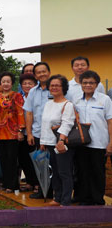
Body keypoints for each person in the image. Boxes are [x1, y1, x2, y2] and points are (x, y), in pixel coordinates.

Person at [73, 70, 112, 205]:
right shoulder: (76, 100)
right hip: (81, 143)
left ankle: (97, 199)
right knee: (82, 172)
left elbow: (110, 121)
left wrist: (110, 143)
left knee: (98, 172)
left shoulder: (105, 99)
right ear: (81, 84)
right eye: (85, 82)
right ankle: (84, 199)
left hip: (99, 142)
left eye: (91, 83)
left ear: (96, 84)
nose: (88, 85)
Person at [40, 75, 76, 206]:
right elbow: (44, 124)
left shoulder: (68, 105)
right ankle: (57, 197)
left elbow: (67, 123)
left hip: (61, 143)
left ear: (64, 88)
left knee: (64, 172)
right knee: (54, 171)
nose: (54, 88)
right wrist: (42, 142)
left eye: (57, 85)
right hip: (49, 143)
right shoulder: (48, 104)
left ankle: (66, 200)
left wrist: (61, 140)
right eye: (52, 85)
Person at [23, 62, 53, 199]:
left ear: (49, 72)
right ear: (35, 75)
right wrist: (29, 133)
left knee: (54, 165)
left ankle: (55, 191)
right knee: (40, 163)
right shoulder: (33, 92)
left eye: (44, 71)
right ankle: (43, 190)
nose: (42, 74)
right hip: (37, 133)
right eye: (39, 72)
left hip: (54, 134)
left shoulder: (56, 88)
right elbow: (29, 113)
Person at [0, 72, 25, 192]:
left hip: (13, 132)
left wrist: (20, 130)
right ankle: (5, 183)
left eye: (8, 81)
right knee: (3, 159)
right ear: (0, 84)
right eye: (3, 82)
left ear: (12, 83)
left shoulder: (17, 96)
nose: (5, 84)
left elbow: (20, 113)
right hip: (0, 132)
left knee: (12, 160)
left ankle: (12, 185)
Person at [17, 74, 40, 193]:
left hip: (34, 132)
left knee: (35, 159)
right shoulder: (19, 98)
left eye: (30, 83)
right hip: (22, 133)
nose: (27, 86)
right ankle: (30, 182)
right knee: (24, 159)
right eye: (24, 84)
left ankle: (37, 183)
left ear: (35, 85)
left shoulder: (37, 98)